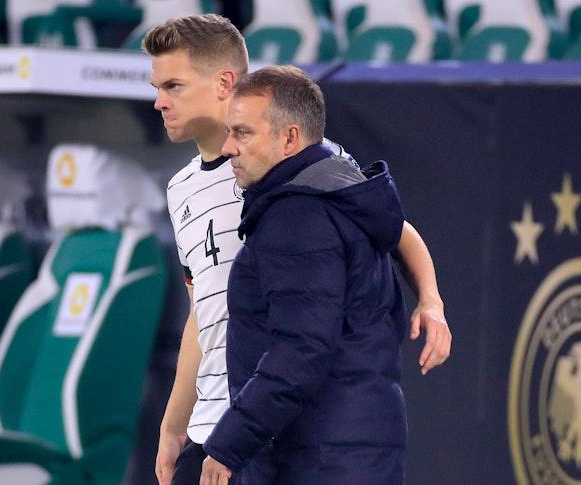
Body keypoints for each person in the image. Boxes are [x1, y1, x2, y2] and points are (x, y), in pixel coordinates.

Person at [142, 14, 451, 485]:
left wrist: (430, 300)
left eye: (173, 86)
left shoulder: (294, 161)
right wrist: (173, 423)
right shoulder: (180, 188)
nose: (159, 101)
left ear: (225, 82)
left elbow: (394, 228)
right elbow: (200, 313)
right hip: (216, 424)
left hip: (268, 422)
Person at [201, 64, 410, 484]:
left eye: (243, 132)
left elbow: (301, 349)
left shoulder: (297, 215)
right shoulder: (338, 194)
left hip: (319, 459)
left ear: (289, 137)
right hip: (349, 450)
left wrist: (229, 445)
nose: (227, 147)